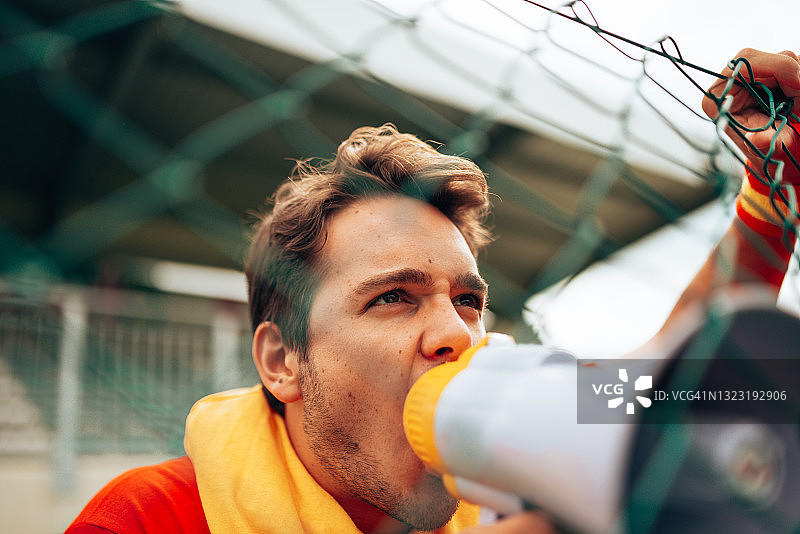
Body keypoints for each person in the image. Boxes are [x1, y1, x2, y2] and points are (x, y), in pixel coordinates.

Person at [65, 48, 799, 534]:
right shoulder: (150, 517)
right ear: (283, 361)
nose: (456, 334)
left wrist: (773, 197)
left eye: (468, 300)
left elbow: (667, 381)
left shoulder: (510, 458)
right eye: (393, 297)